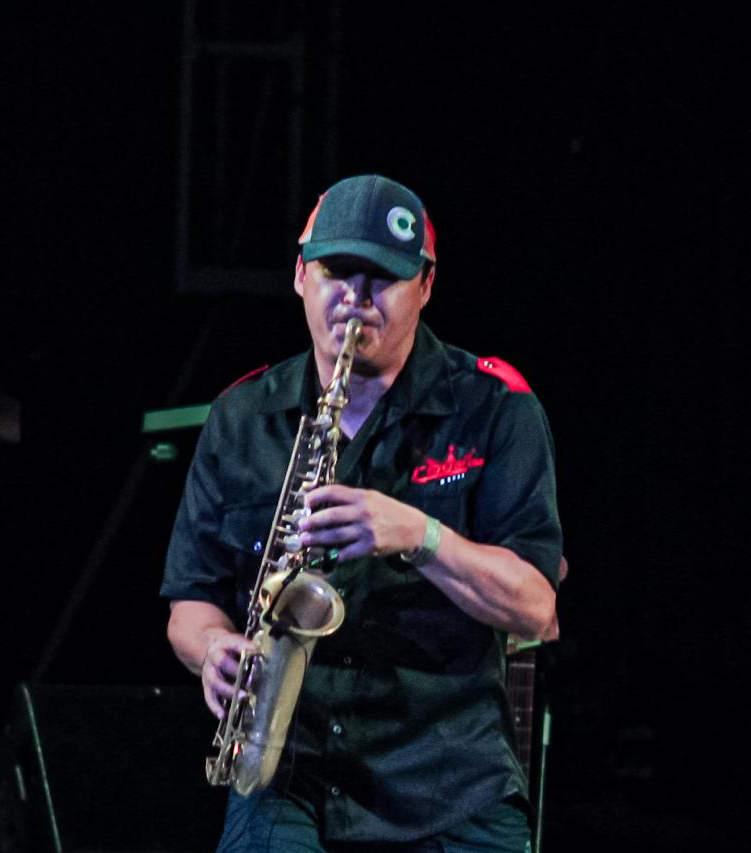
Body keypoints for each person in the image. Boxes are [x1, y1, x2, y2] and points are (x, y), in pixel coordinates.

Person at [161, 174, 562, 852]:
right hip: (287, 771)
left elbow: (535, 607)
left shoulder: (497, 408)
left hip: (448, 782)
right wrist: (213, 650)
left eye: (383, 278)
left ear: (426, 285)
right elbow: (189, 603)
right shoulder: (242, 415)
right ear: (299, 275)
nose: (356, 297)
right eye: (337, 272)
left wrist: (419, 535)